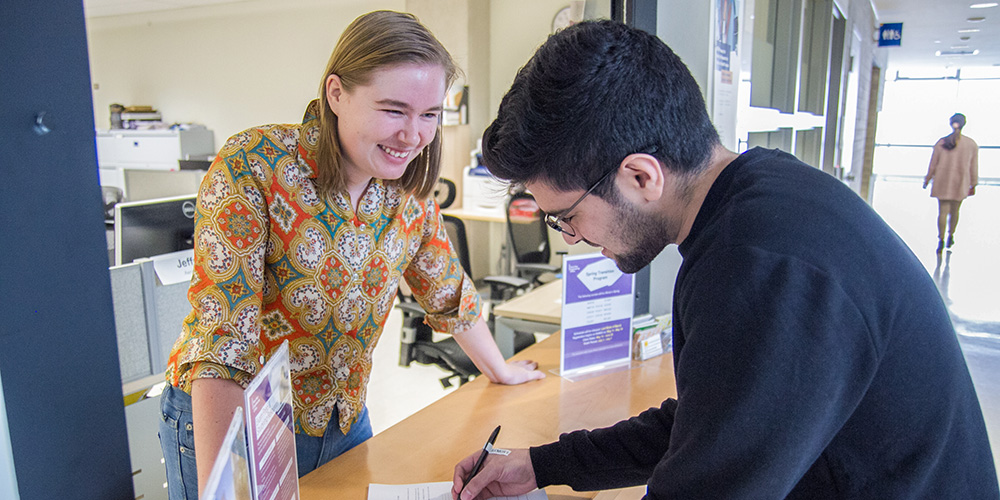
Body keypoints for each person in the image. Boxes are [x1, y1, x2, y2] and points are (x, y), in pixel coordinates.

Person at [452, 20, 998, 500]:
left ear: (641, 176)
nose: (570, 238)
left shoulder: (761, 265)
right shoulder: (761, 196)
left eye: (565, 215)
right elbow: (712, 425)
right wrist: (541, 465)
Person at [157, 10, 544, 499]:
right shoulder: (254, 164)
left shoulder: (408, 191)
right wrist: (230, 490)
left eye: (429, 115)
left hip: (343, 418)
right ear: (336, 93)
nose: (413, 136)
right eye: (394, 110)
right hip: (235, 425)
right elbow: (221, 346)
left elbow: (448, 293)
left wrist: (502, 370)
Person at [923, 113, 979, 253]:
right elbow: (974, 166)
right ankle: (950, 235)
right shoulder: (971, 144)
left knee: (942, 211)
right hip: (961, 181)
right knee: (955, 211)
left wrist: (928, 179)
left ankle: (940, 239)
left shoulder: (941, 142)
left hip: (943, 180)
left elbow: (933, 164)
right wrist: (973, 183)